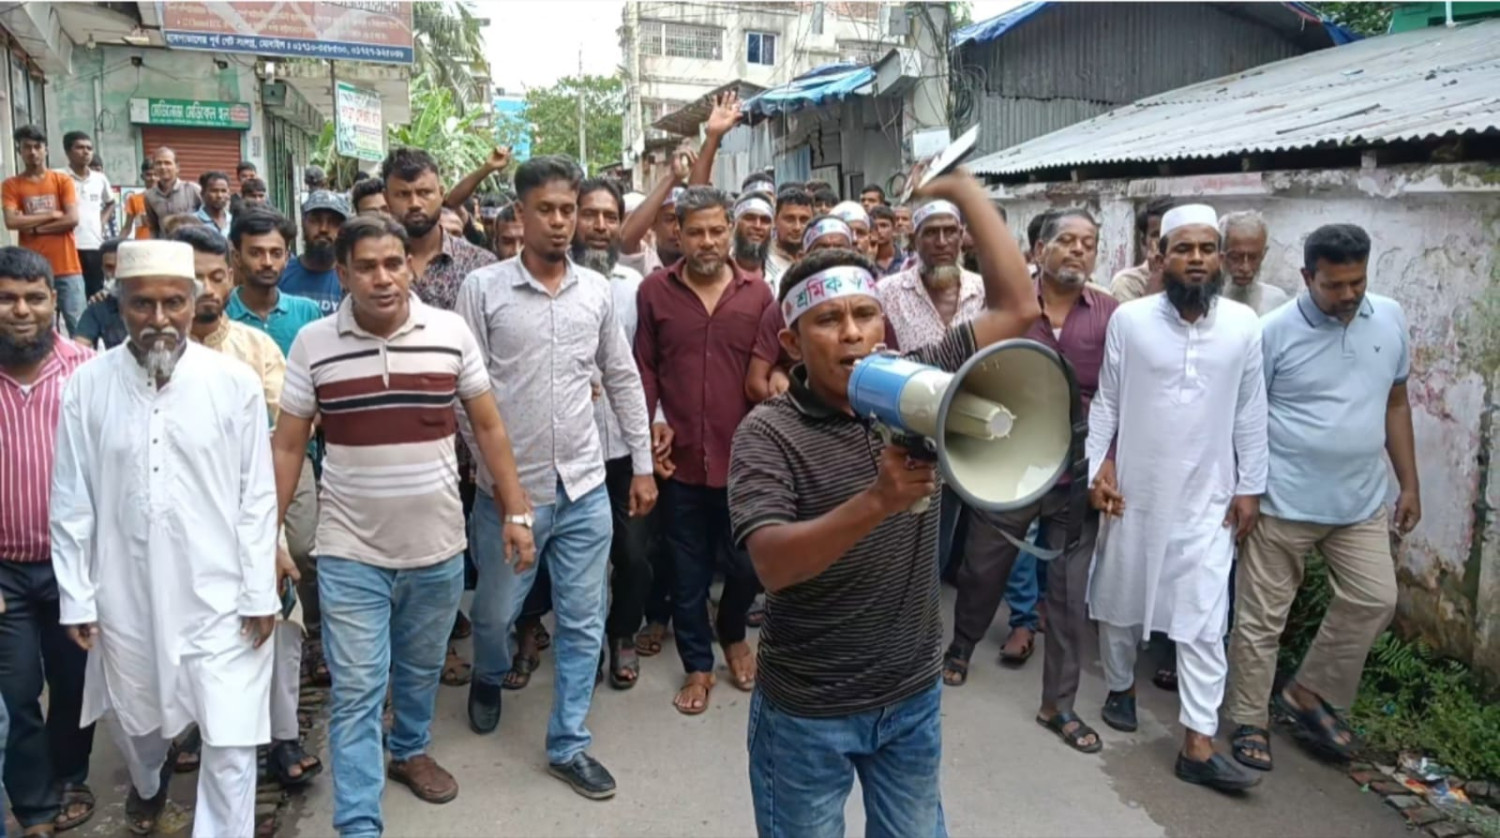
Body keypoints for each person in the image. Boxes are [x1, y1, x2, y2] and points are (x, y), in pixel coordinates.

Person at [728, 167, 1036, 838]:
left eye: (865, 315)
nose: (851, 334)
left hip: (911, 694)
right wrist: (877, 502)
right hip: (810, 708)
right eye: (828, 320)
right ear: (791, 343)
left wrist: (964, 193)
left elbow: (1017, 309)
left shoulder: (918, 383)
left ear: (884, 327)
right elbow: (773, 565)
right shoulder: (767, 433)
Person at [271, 216, 534, 833]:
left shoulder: (449, 333)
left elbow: (489, 427)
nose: (383, 277)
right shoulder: (313, 343)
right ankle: (359, 820)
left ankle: (410, 749)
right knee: (359, 688)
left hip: (438, 547)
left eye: (394, 263)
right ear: (342, 274)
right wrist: (268, 535)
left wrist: (517, 511)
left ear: (410, 267)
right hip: (349, 549)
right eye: (366, 266)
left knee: (418, 670)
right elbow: (287, 448)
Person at [51, 239, 278, 837]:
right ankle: (149, 786)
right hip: (124, 595)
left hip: (221, 595)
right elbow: (72, 500)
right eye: (143, 304)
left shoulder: (233, 384)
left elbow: (256, 495)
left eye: (174, 303)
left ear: (195, 299)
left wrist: (260, 589)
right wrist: (76, 594)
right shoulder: (86, 386)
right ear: (118, 303)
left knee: (230, 741)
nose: (159, 320)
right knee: (138, 725)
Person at [456, 156, 652, 801]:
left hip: (585, 487)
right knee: (495, 613)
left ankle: (567, 742)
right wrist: (495, 476)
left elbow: (622, 377)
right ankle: (488, 674)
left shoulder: (595, 293)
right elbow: (464, 395)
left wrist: (643, 465)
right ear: (520, 213)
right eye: (549, 210)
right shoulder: (483, 291)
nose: (563, 222)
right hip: (509, 496)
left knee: (583, 617)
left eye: (570, 210)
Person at [1086, 203, 1267, 792]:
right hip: (1136, 488)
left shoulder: (1244, 325)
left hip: (1207, 497)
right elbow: (1107, 401)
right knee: (1121, 598)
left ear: (1218, 258)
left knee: (1204, 620)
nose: (1196, 259)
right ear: (1160, 257)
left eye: (1206, 249)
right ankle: (1120, 688)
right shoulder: (1131, 321)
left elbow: (1250, 411)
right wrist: (1099, 467)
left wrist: (1249, 486)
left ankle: (1197, 741)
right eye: (1183, 249)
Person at [1226, 223, 1418, 772]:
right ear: (1308, 277)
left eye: (1358, 282)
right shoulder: (1272, 333)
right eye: (1335, 285)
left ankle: (1306, 692)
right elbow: (1245, 417)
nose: (1350, 295)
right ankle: (1248, 721)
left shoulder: (1391, 317)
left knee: (1375, 599)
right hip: (1281, 503)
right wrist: (1246, 489)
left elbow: (1397, 403)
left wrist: (1410, 482)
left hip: (1360, 502)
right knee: (1262, 621)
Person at [944, 210, 1117, 754]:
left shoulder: (1113, 317)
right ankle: (961, 646)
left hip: (1076, 473)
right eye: (1065, 240)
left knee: (1067, 592)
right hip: (1009, 466)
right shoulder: (1006, 312)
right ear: (1037, 248)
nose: (1077, 251)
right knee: (983, 566)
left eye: (1087, 243)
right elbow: (964, 382)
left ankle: (1058, 706)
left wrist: (1109, 463)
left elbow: (1121, 399)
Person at [635, 186, 771, 715]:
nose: (708, 241)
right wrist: (652, 425)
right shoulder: (654, 293)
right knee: (686, 573)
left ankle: (733, 631)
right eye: (696, 231)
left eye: (717, 230)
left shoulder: (759, 295)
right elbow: (644, 368)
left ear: (730, 230)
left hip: (747, 463)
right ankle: (697, 664)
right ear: (678, 232)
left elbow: (771, 370)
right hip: (682, 461)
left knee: (747, 567)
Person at [0, 247, 98, 835]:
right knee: (15, 691)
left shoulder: (87, 370)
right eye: (7, 298)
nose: (21, 310)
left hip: (74, 564)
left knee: (74, 682)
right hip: (4, 568)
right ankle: (34, 805)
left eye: (34, 297)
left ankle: (70, 778)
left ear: (53, 302)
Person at [227, 210, 326, 677]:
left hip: (297, 449)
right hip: (232, 461)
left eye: (275, 253)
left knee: (305, 548)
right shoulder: (221, 314)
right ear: (236, 257)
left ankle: (311, 634)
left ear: (288, 256)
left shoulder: (306, 314)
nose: (266, 261)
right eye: (255, 252)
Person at [570, 177, 661, 688]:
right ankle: (533, 634)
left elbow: (653, 362)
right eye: (591, 215)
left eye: (610, 216)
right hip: (567, 448)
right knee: (562, 557)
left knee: (633, 555)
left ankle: (622, 633)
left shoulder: (634, 289)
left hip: (626, 446)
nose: (601, 227)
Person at [382, 148, 498, 314]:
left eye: (424, 193)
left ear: (441, 194)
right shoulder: (370, 266)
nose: (414, 203)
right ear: (386, 199)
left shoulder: (479, 264)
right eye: (402, 194)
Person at [3, 126, 85, 335]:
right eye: (27, 147)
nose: (33, 152)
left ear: (46, 149)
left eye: (37, 147)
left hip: (67, 267)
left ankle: (80, 366)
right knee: (40, 328)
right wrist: (52, 214)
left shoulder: (61, 180)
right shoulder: (11, 185)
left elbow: (72, 218)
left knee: (78, 324)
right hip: (32, 270)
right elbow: (11, 221)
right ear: (19, 151)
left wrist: (34, 227)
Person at [60, 131, 115, 299]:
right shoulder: (59, 177)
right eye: (80, 148)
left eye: (89, 148)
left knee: (94, 293)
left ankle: (94, 325)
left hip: (93, 244)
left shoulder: (100, 179)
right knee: (69, 294)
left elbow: (110, 202)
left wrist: (101, 222)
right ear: (68, 152)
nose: (86, 152)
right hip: (66, 245)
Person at [279, 191, 346, 315]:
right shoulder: (282, 272)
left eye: (333, 222)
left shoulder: (350, 279)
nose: (323, 229)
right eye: (315, 220)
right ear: (303, 223)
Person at [1219, 211, 1290, 315]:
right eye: (1235, 258)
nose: (1245, 268)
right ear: (1221, 254)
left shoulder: (1276, 302)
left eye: (1253, 258)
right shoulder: (1204, 302)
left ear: (1263, 254)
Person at [1109, 197, 1174, 302]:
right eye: (1156, 235)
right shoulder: (1128, 283)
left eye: (1169, 233)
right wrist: (1157, 276)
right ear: (1144, 241)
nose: (1163, 240)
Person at [75, 238, 128, 349]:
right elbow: (79, 347)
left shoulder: (156, 304)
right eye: (109, 267)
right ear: (102, 269)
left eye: (121, 266)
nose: (115, 274)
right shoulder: (99, 307)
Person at [142, 147, 203, 238]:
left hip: (191, 245)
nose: (163, 167)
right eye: (158, 163)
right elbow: (154, 227)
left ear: (177, 167)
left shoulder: (193, 189)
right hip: (165, 247)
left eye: (167, 163)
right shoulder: (149, 196)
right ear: (154, 167)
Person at [764, 188, 813, 290]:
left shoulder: (819, 259)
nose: (797, 227)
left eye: (804, 220)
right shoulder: (761, 262)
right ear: (775, 220)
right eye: (790, 219)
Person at [731, 193, 774, 278]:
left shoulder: (783, 273)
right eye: (750, 218)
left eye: (765, 220)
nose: (757, 226)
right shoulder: (718, 268)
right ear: (734, 224)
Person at [191, 171, 233, 237]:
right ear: (202, 193)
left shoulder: (233, 221)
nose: (219, 195)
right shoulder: (192, 222)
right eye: (214, 191)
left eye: (223, 191)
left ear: (228, 194)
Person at [869, 204, 904, 276]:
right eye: (875, 226)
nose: (879, 230)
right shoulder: (865, 261)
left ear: (894, 230)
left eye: (884, 226)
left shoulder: (906, 260)